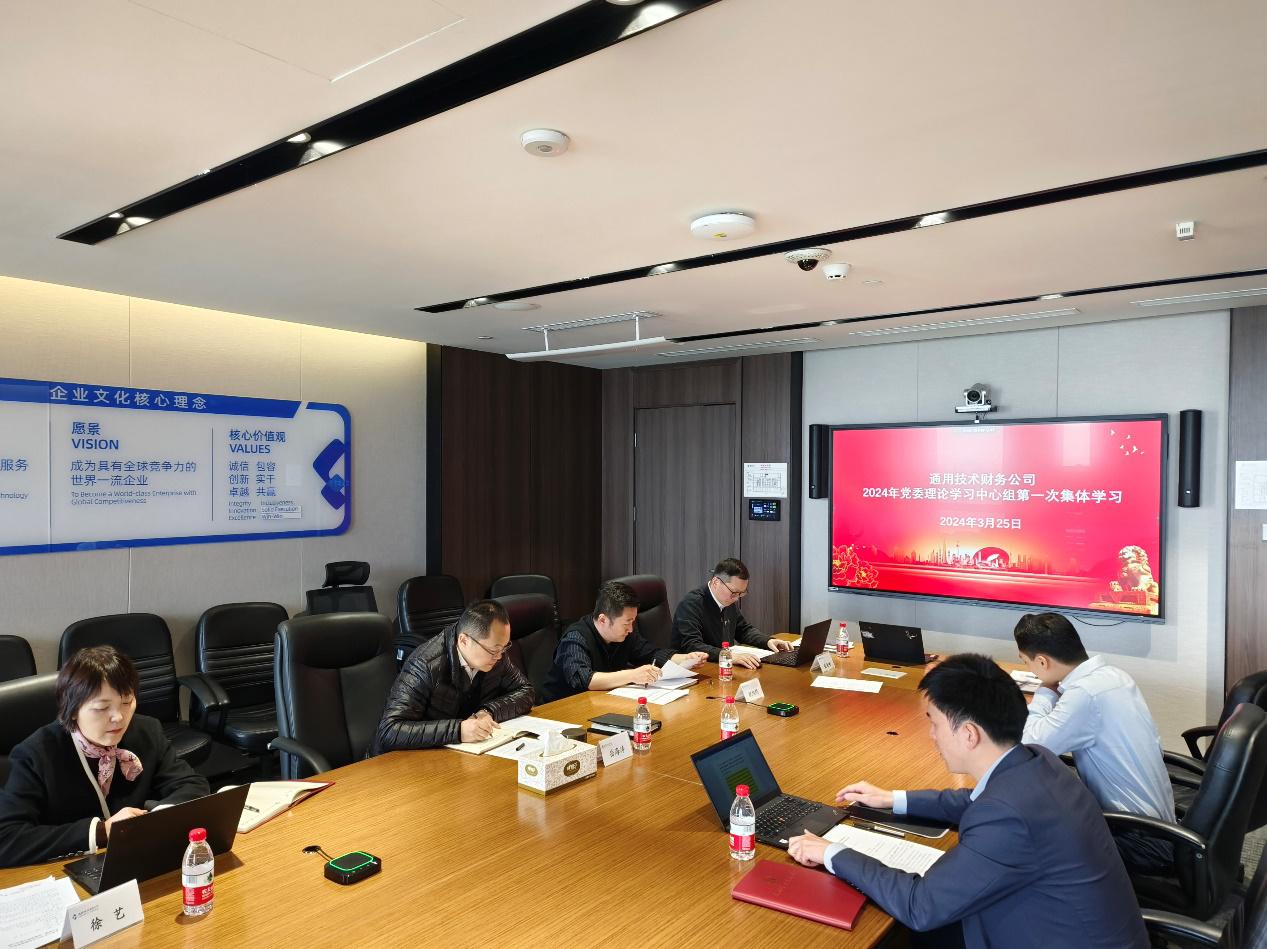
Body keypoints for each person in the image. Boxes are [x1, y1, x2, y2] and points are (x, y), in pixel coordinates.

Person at [787, 654, 1149, 949]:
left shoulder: (1007, 816)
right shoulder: (1037, 762)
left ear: (969, 734)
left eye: (934, 723)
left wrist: (833, 853)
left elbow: (921, 906)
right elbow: (974, 801)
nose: (931, 735)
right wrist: (892, 799)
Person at [0, 646, 210, 868]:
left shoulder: (147, 731)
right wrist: (102, 831)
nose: (118, 717)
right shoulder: (36, 754)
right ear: (72, 709)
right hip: (69, 868)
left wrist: (157, 817)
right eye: (102, 708)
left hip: (138, 860)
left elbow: (192, 784)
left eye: (127, 702)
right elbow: (6, 839)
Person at [1014, 611, 1175, 872]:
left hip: (1138, 838)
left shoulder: (1084, 695)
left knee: (1029, 835)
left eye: (1025, 661)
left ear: (1042, 662)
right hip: (1161, 824)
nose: (1028, 668)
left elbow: (1029, 743)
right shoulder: (1116, 676)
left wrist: (1044, 692)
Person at [372, 599, 534, 752]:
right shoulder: (425, 664)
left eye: (504, 648)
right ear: (464, 640)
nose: (499, 656)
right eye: (494, 650)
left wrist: (488, 711)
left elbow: (526, 691)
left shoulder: (495, 657)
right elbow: (389, 731)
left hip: (460, 752)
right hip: (404, 761)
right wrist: (458, 730)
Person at [540, 581, 708, 703]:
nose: (631, 629)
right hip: (561, 711)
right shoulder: (575, 639)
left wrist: (684, 659)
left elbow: (651, 653)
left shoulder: (624, 635)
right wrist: (633, 675)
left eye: (633, 621)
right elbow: (585, 680)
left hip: (600, 702)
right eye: (627, 623)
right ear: (603, 619)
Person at [670, 558, 793, 669]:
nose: (737, 598)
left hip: (722, 667)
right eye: (734, 592)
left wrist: (767, 641)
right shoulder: (692, 603)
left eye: (741, 593)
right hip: (693, 671)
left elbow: (743, 630)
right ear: (715, 582)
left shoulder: (728, 600)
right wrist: (729, 656)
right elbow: (692, 645)